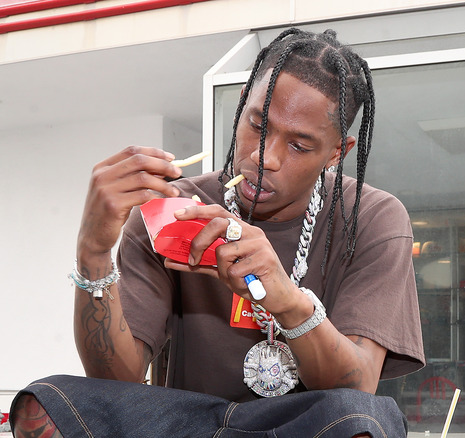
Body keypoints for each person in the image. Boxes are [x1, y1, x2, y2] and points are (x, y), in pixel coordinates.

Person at [10, 28, 425, 437]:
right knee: (46, 402)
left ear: (338, 152)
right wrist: (94, 251)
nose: (265, 157)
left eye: (299, 145)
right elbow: (114, 380)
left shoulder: (372, 218)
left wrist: (288, 302)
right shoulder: (171, 210)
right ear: (241, 106)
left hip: (301, 428)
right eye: (258, 125)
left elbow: (357, 387)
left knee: (363, 418)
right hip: (190, 425)